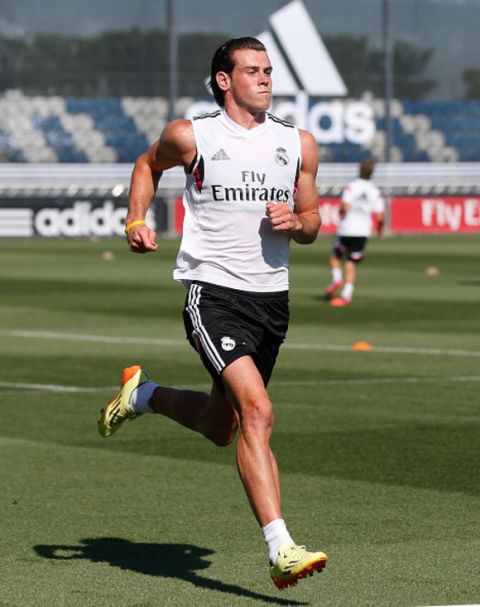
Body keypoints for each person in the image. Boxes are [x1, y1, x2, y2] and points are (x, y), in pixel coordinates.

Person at [98, 36, 327, 589]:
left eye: (269, 70)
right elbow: (145, 166)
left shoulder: (298, 143)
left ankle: (143, 394)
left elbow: (314, 220)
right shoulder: (191, 134)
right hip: (213, 294)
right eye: (253, 70)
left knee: (221, 427)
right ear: (224, 80)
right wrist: (135, 220)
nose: (266, 79)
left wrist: (296, 223)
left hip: (272, 301)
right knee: (260, 413)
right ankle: (281, 548)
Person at [325, 158, 385, 306]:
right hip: (362, 231)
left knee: (335, 256)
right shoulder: (374, 191)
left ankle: (337, 278)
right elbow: (380, 216)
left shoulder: (350, 187)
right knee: (351, 263)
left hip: (347, 228)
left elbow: (344, 207)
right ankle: (346, 295)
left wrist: (340, 212)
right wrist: (379, 229)